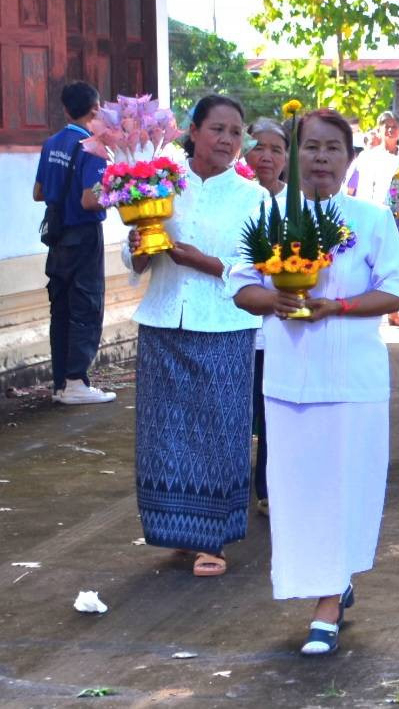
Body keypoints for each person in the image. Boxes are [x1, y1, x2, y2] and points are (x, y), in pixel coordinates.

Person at [232, 108, 399, 656]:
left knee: (346, 490)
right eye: (311, 147)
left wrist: (338, 305)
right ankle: (329, 581)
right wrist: (276, 298)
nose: (321, 158)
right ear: (294, 153)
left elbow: (398, 291)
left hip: (352, 379)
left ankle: (328, 603)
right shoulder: (268, 215)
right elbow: (241, 287)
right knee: (297, 494)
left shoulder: (371, 219)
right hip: (288, 378)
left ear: (349, 156)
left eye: (333, 147)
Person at [125, 94, 269, 578]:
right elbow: (136, 260)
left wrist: (199, 261)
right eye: (218, 129)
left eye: (236, 131)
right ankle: (176, 532)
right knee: (163, 433)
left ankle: (215, 539)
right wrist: (137, 247)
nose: (228, 140)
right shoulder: (159, 182)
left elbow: (257, 272)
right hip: (164, 321)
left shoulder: (254, 198)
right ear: (194, 130)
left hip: (225, 326)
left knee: (221, 433)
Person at [33, 81, 113, 405]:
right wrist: (119, 188)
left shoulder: (51, 142)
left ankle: (60, 384)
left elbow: (38, 193)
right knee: (87, 303)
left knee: (62, 306)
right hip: (83, 235)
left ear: (65, 109)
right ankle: (77, 380)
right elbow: (89, 201)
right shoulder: (92, 147)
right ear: (94, 109)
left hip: (57, 236)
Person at [244, 117, 290, 516]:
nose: (267, 157)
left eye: (277, 149)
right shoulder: (236, 198)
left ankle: (266, 487)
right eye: (259, 147)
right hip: (224, 322)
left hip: (270, 328)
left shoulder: (296, 205)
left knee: (268, 410)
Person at [345, 110, 399, 204]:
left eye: (394, 127)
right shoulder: (366, 157)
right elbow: (354, 189)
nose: (390, 130)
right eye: (387, 127)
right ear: (379, 130)